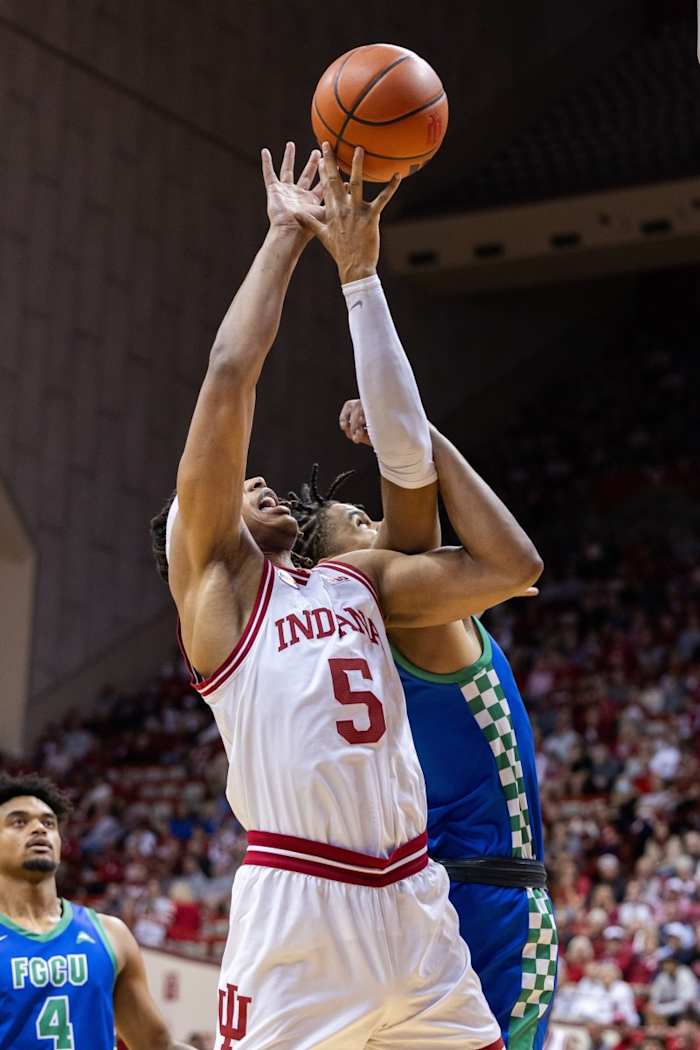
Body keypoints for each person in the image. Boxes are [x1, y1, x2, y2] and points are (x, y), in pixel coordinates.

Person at [150, 141, 541, 1049]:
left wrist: (362, 276)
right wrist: (287, 236)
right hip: (301, 906)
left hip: (414, 899)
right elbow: (228, 379)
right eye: (212, 496)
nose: (258, 486)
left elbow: (510, 568)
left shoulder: (353, 579)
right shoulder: (218, 597)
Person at [290, 143, 557, 1049]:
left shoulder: (337, 631)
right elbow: (516, 561)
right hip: (479, 906)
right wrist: (361, 282)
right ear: (347, 568)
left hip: (443, 905)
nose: (384, 530)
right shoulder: (398, 604)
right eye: (361, 527)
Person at [0, 772, 196, 1050]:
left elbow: (157, 1046)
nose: (39, 829)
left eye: (48, 823)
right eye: (19, 822)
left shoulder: (109, 933)